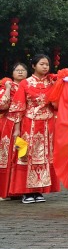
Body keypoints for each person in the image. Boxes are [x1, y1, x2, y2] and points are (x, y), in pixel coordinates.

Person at [8, 54, 64, 204]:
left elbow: (56, 104)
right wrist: (16, 129)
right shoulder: (25, 83)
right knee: (25, 155)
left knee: (44, 156)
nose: (45, 67)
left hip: (47, 125)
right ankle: (25, 192)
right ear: (33, 66)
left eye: (47, 64)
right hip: (28, 124)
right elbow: (18, 107)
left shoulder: (52, 83)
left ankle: (39, 190)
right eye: (42, 64)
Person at [0, 62, 29, 199]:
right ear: (12, 73)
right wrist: (6, 88)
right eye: (17, 70)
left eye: (23, 70)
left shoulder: (29, 87)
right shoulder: (8, 86)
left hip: (26, 124)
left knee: (22, 155)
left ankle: (18, 189)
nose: (20, 72)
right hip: (9, 125)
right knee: (7, 156)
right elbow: (2, 105)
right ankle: (4, 191)